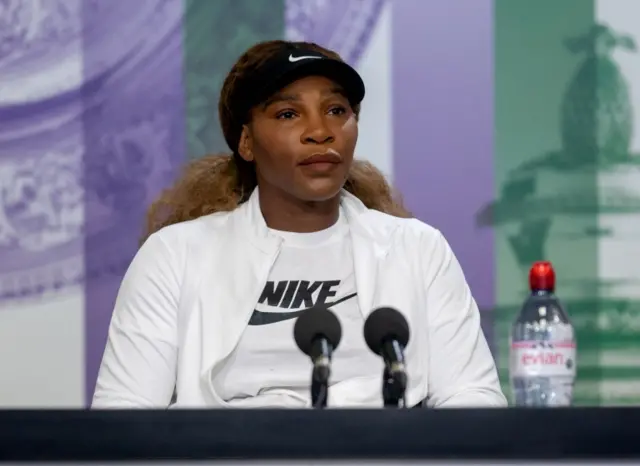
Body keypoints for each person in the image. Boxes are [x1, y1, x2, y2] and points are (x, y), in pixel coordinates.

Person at [92, 40, 507, 409]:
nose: (320, 131)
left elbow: (473, 399)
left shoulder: (418, 249)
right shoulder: (175, 256)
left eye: (336, 110)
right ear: (247, 142)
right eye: (289, 113)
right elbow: (123, 419)